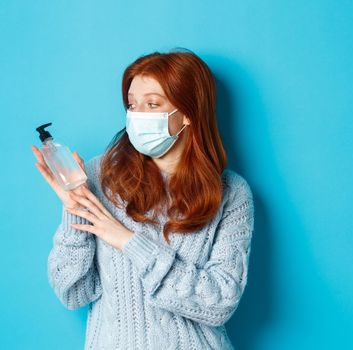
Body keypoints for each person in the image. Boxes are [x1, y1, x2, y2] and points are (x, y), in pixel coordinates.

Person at [31, 49, 254, 350]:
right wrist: (75, 210)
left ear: (188, 113)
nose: (137, 116)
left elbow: (219, 303)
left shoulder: (231, 192)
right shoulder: (98, 175)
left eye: (152, 104)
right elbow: (73, 292)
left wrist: (128, 241)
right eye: (132, 105)